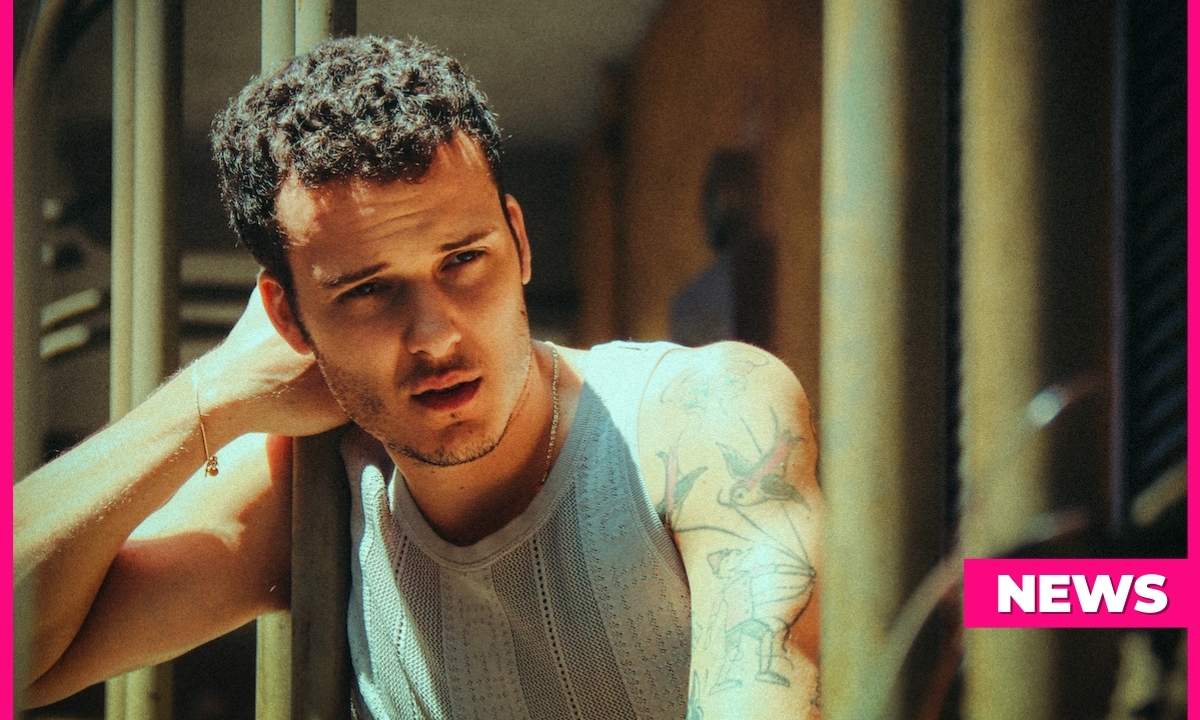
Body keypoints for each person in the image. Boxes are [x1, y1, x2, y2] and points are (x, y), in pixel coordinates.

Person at [15, 36, 822, 719]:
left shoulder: (701, 418)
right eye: (368, 291)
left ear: (518, 241)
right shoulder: (315, 491)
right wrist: (212, 396)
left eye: (463, 261)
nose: (435, 335)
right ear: (289, 318)